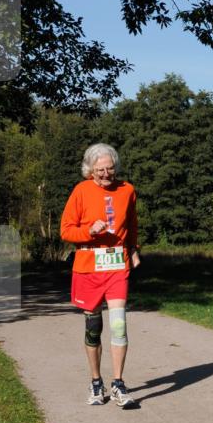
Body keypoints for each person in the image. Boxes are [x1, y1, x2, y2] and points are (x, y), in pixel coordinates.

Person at [60, 143, 141, 407]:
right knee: (93, 328)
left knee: (119, 325)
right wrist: (89, 231)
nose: (106, 174)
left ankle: (118, 383)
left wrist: (134, 249)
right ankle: (96, 382)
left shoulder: (127, 190)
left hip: (117, 265)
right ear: (90, 170)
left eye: (110, 168)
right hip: (88, 268)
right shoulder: (81, 191)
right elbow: (66, 231)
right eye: (100, 170)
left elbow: (132, 224)